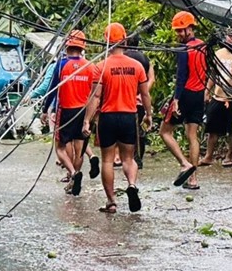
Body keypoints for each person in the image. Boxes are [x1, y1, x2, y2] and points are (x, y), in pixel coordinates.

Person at [83, 23, 153, 213]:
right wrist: (148, 114)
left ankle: (111, 202)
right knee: (129, 159)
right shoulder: (137, 66)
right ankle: (131, 184)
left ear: (106, 41)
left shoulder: (100, 66)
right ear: (125, 40)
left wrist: (87, 120)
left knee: (107, 160)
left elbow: (96, 96)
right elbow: (145, 94)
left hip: (108, 117)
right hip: (129, 116)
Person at [45, 30, 97, 196]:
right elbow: (94, 93)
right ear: (82, 47)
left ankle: (73, 174)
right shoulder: (90, 66)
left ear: (67, 44)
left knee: (60, 147)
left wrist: (45, 109)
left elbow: (52, 89)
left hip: (66, 110)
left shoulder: (60, 65)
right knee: (80, 149)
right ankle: (75, 179)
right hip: (83, 112)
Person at [162, 11, 206, 189]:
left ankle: (184, 164)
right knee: (192, 135)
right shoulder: (203, 45)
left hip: (185, 94)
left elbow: (181, 77)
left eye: (181, 30)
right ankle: (193, 179)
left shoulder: (183, 49)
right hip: (199, 94)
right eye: (177, 31)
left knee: (164, 132)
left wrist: (177, 100)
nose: (179, 34)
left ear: (190, 28)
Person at [202, 30, 232, 168]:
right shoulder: (218, 54)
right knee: (212, 128)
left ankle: (229, 156)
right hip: (219, 96)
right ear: (226, 37)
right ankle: (208, 156)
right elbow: (213, 74)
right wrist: (207, 91)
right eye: (230, 36)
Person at [123, 32, 155, 170]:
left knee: (126, 130)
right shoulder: (145, 58)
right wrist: (142, 92)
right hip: (141, 99)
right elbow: (151, 78)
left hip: (125, 99)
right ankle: (139, 158)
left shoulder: (123, 57)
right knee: (141, 130)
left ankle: (127, 158)